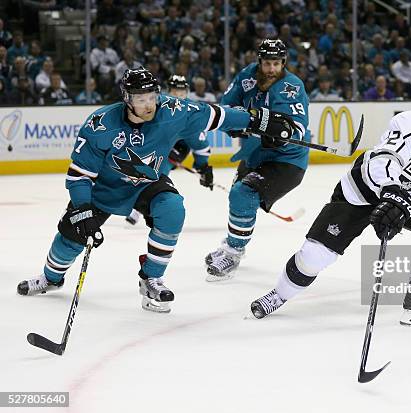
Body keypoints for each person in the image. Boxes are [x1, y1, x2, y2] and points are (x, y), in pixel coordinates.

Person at [16, 67, 298, 313]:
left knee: (173, 210)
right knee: (71, 236)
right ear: (127, 99)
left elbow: (218, 115)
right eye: (141, 99)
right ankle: (51, 278)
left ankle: (151, 278)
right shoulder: (100, 124)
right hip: (103, 189)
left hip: (147, 182)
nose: (149, 105)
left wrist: (258, 121)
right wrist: (82, 209)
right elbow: (78, 177)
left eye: (151, 97)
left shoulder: (174, 111)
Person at [250, 78, 411, 328]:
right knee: (313, 257)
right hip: (363, 191)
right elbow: (383, 159)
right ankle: (279, 294)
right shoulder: (407, 122)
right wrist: (391, 191)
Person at [204, 39, 310, 281]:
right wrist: (236, 125)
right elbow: (228, 106)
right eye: (267, 63)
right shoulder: (247, 76)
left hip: (287, 161)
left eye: (276, 63)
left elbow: (300, 128)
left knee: (244, 193)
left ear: (283, 63)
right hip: (255, 154)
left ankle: (233, 252)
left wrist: (285, 133)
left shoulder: (291, 86)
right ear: (259, 62)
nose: (271, 69)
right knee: (237, 194)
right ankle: (232, 242)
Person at [125, 74, 214, 226]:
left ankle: (140, 208)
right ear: (167, 92)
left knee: (160, 169)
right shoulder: (155, 106)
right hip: (156, 145)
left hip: (178, 148)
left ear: (187, 93)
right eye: (174, 93)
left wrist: (203, 166)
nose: (178, 97)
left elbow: (199, 142)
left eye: (182, 94)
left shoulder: (190, 112)